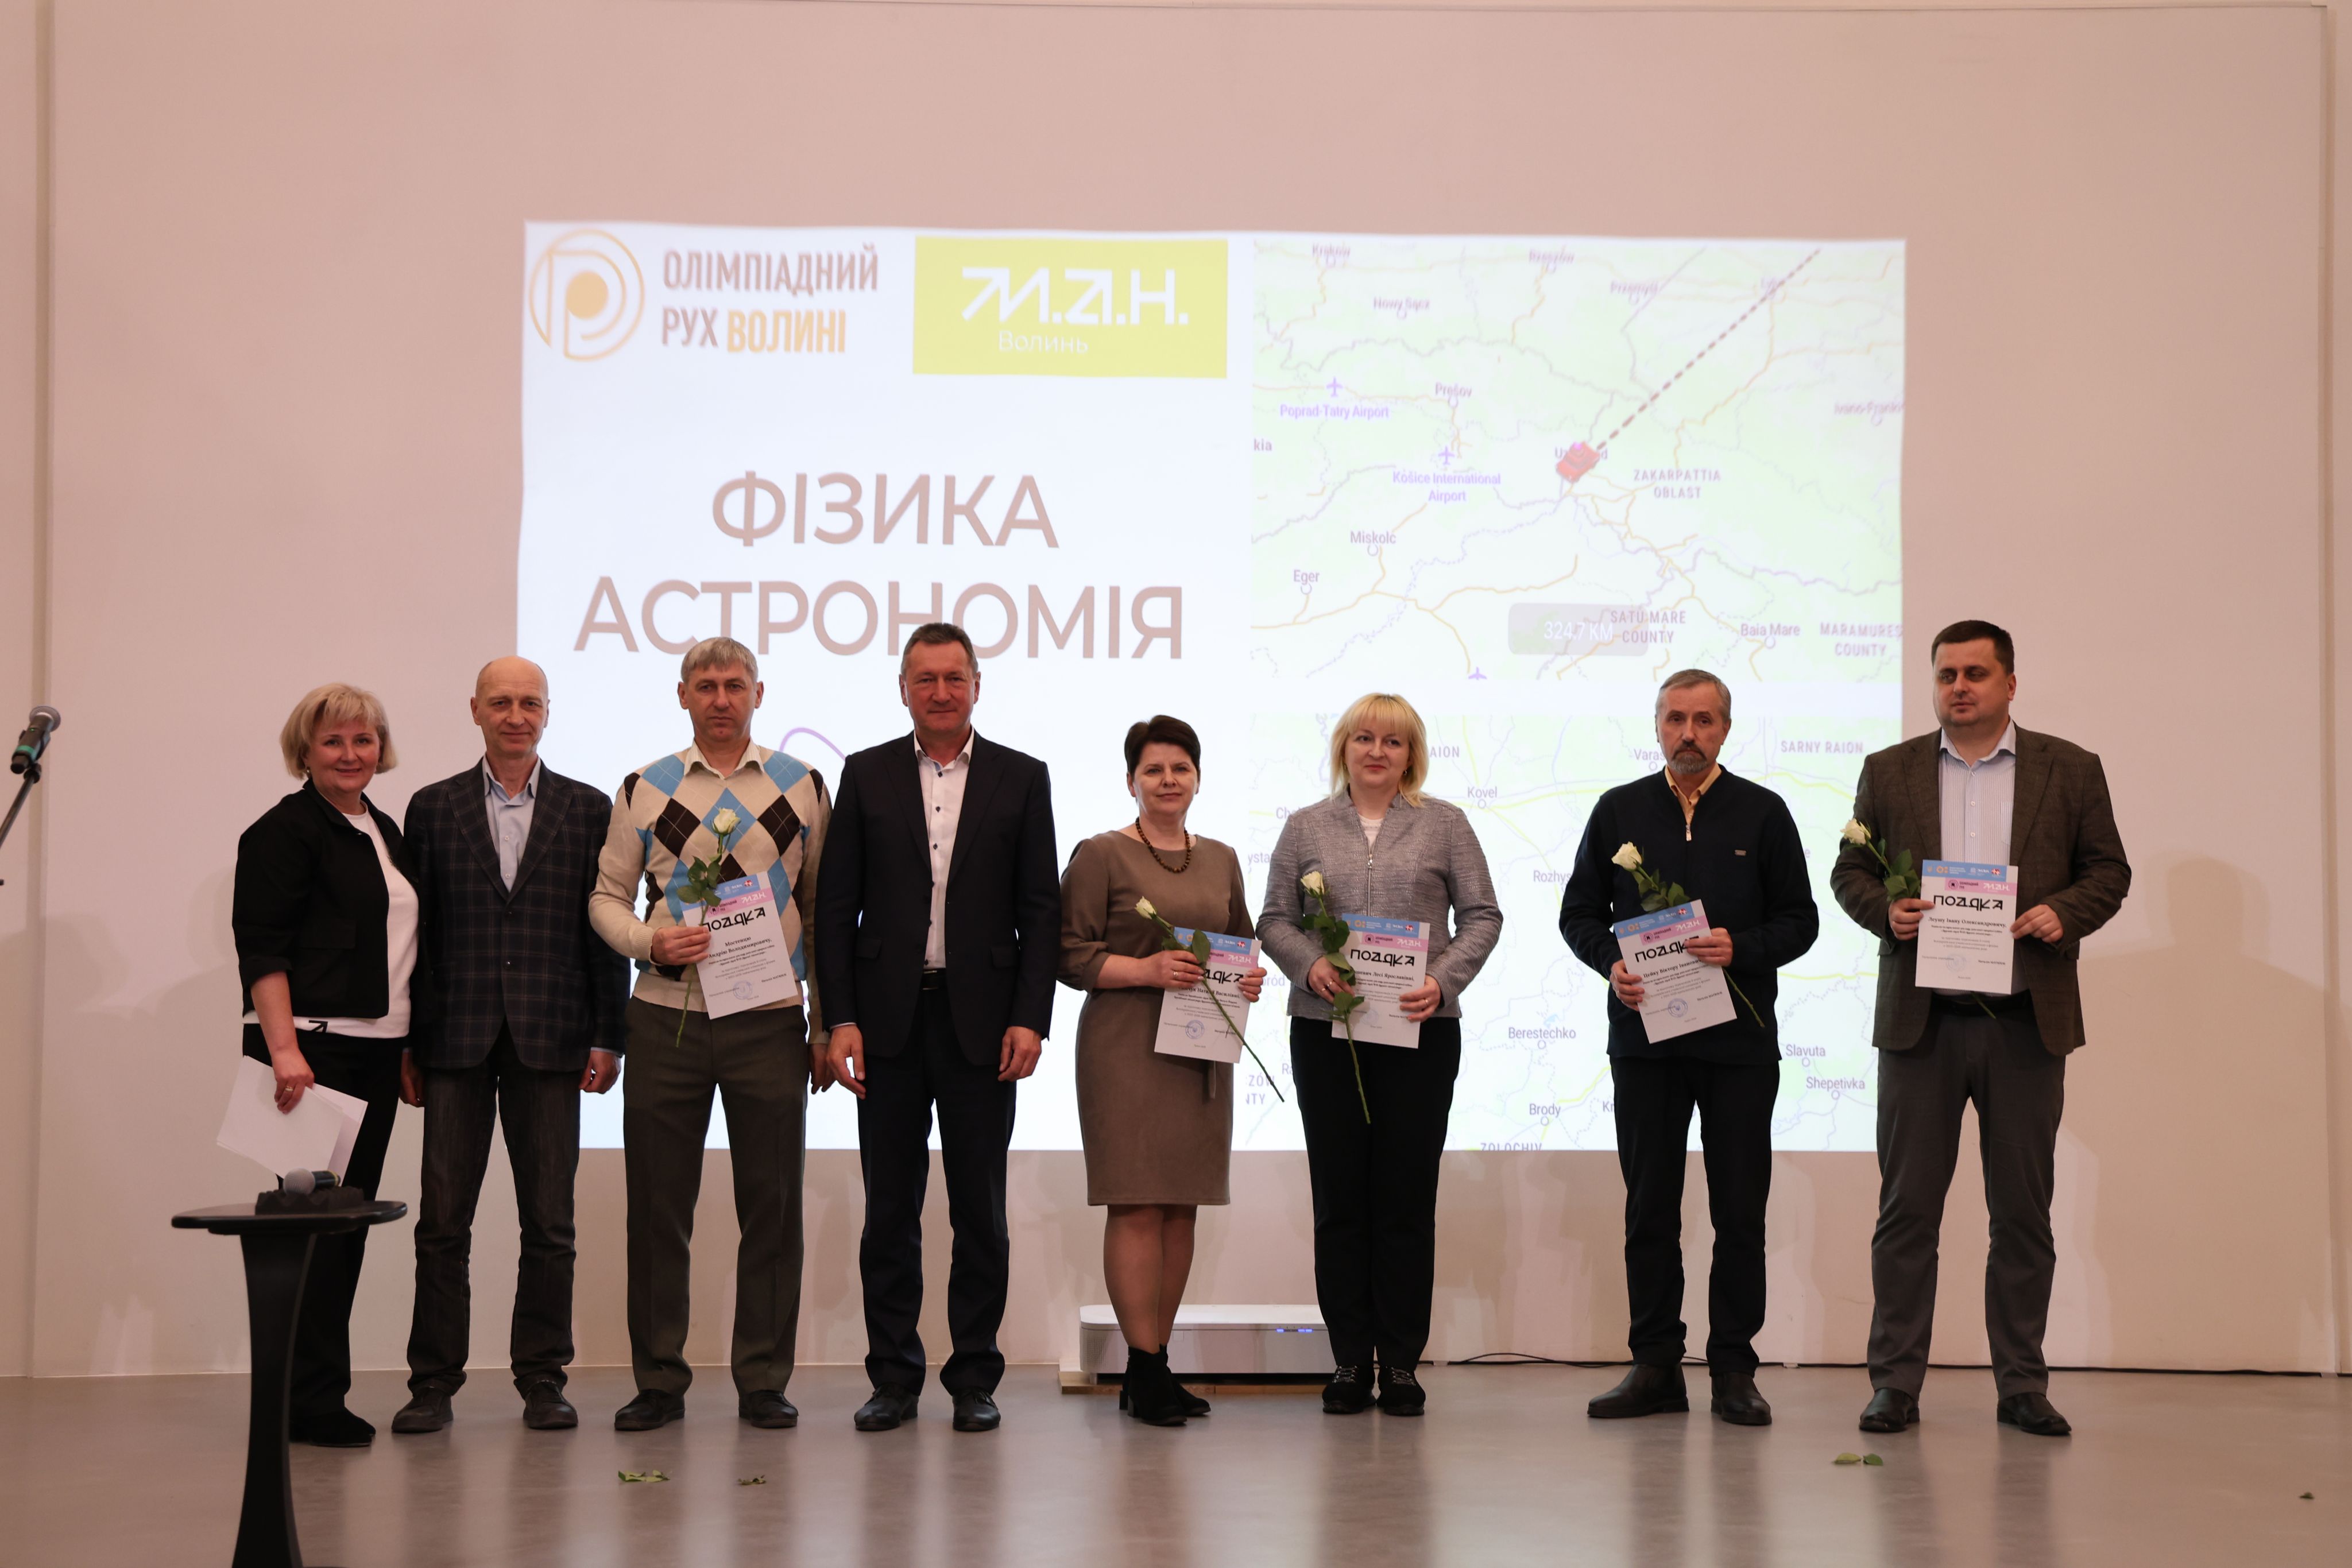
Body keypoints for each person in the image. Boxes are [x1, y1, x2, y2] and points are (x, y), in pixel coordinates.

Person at [1831, 621, 2130, 1439]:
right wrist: (1885, 910)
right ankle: (1894, 1383)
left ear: (2009, 683)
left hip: (2024, 1022)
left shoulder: (2070, 768)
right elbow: (1851, 869)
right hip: (1921, 1024)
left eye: (1975, 673)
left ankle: (2022, 1384)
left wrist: (2062, 912)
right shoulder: (1889, 770)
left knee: (2023, 1215)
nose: (1959, 686)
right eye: (1946, 674)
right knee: (1906, 1214)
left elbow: (2109, 870)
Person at [1557, 669, 1820, 1427]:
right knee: (1650, 1209)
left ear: (1725, 729)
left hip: (1740, 1045)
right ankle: (1655, 1366)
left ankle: (1734, 1369)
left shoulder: (1763, 811)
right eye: (1675, 718)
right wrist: (1611, 960)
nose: (1688, 733)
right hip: (1646, 1043)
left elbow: (1800, 920)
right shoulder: (1619, 809)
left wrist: (1744, 946)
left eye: (1704, 720)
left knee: (1739, 1210)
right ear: (1657, 725)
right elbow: (1578, 912)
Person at [814, 622, 1058, 1435]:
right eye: (926, 678)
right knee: (890, 1209)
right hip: (885, 1021)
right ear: (904, 689)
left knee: (979, 1211)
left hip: (983, 1024)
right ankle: (893, 1377)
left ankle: (974, 1376)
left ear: (977, 685)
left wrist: (1030, 1016)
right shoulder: (866, 772)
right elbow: (834, 908)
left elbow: (1040, 911)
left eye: (955, 677)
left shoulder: (1023, 776)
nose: (942, 691)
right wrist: (839, 1017)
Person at [587, 636, 833, 1433]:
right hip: (667, 1015)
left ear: (759, 693)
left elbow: (823, 912)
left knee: (772, 1204)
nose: (721, 698)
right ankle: (659, 1380)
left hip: (768, 1017)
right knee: (659, 1208)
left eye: (734, 684)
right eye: (706, 685)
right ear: (683, 695)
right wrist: (648, 941)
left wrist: (824, 1024)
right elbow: (606, 896)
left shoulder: (801, 784)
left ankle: (763, 1378)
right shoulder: (645, 787)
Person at [389, 657, 628, 1436]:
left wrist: (609, 1034)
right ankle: (432, 1383)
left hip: (553, 1037)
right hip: (453, 1038)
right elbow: (414, 934)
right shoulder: (433, 807)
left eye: (529, 702)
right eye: (501, 702)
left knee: (550, 1224)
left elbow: (604, 928)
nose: (515, 715)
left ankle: (543, 1378)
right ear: (476, 710)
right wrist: (408, 1040)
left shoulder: (588, 808)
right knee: (442, 1224)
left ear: (548, 712)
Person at [1258, 692, 1502, 1418]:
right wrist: (1309, 965)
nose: (1376, 751)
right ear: (1344, 747)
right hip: (1325, 1032)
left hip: (1420, 1033)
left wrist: (1442, 980)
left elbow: (1482, 916)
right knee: (1340, 1201)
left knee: (1404, 1200)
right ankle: (1347, 1361)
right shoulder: (1305, 826)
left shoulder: (1445, 824)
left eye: (1392, 742)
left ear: (1410, 755)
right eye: (1363, 737)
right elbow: (1274, 919)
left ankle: (1397, 1362)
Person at [1058, 716, 1267, 1427]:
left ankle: (1154, 1363)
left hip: (1201, 1050)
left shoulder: (1223, 858)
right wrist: (1145, 969)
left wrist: (1248, 978)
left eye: (1181, 767)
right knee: (1138, 1203)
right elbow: (1068, 954)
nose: (1168, 780)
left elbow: (1240, 942)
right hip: (1125, 1047)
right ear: (1131, 781)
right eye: (1154, 769)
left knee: (1182, 1207)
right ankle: (1143, 1368)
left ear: (1198, 779)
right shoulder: (1100, 854)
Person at [231, 682, 419, 1447]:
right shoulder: (283, 830)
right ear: (304, 751)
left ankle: (316, 1392)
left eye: (363, 739)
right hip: (311, 1054)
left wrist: (405, 1044)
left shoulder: (383, 828)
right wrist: (285, 1050)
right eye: (334, 741)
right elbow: (262, 948)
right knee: (309, 1232)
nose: (350, 754)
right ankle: (303, 1401)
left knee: (345, 1228)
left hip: (374, 1050)